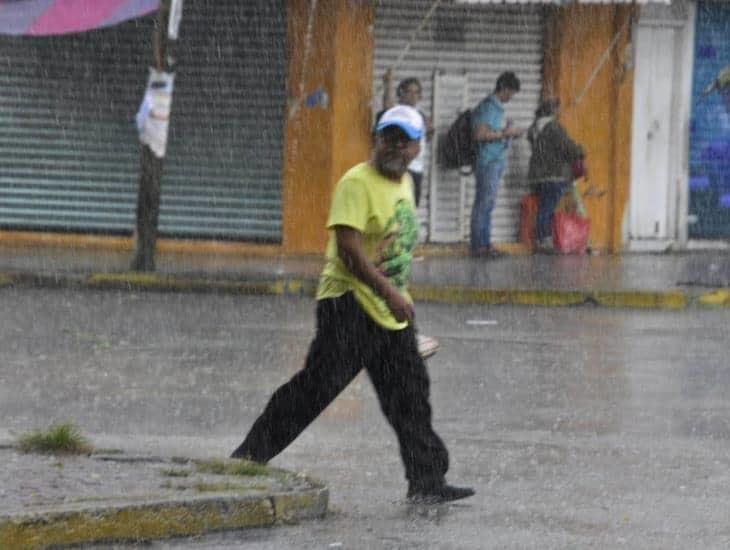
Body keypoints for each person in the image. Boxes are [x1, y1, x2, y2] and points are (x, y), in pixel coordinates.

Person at [231, 105, 474, 505]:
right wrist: (391, 293)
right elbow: (348, 250)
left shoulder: (404, 183)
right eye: (389, 136)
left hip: (387, 311)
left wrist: (398, 297)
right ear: (377, 139)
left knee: (410, 396)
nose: (396, 145)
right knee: (317, 387)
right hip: (349, 305)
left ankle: (427, 480)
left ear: (418, 147)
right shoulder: (356, 183)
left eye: (405, 139)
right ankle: (248, 458)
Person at [377, 70, 439, 360]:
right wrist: (388, 84)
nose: (413, 96)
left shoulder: (419, 119)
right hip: (407, 171)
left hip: (416, 171)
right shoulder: (398, 116)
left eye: (417, 92)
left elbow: (430, 130)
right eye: (409, 91)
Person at [470, 71, 524, 258]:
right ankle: (479, 246)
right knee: (484, 204)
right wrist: (506, 133)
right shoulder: (488, 107)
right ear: (503, 88)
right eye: (511, 92)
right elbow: (480, 135)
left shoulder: (496, 108)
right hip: (488, 161)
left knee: (488, 204)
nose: (511, 97)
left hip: (494, 160)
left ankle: (485, 244)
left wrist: (505, 132)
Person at [526, 98, 584, 252]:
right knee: (548, 208)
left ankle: (543, 239)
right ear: (553, 111)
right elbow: (568, 147)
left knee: (544, 206)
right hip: (553, 175)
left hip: (537, 175)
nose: (560, 112)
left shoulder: (533, 128)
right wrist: (580, 151)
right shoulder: (554, 128)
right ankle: (543, 241)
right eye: (558, 109)